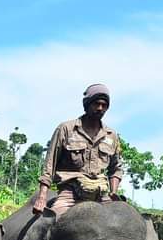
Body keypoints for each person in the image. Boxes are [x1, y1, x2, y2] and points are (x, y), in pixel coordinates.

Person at [32, 83, 123, 217]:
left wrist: (113, 191)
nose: (100, 108)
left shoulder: (111, 136)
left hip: (101, 195)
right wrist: (42, 197)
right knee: (53, 222)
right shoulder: (66, 129)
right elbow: (49, 166)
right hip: (70, 194)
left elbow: (116, 168)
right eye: (96, 104)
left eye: (104, 105)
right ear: (87, 104)